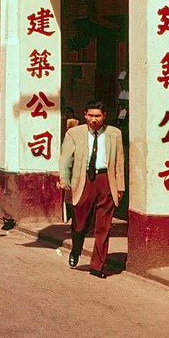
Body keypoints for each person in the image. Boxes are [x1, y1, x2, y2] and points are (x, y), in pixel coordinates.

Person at [58, 100, 124, 279]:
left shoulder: (114, 134)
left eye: (98, 116)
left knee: (104, 226)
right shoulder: (74, 133)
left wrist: (120, 186)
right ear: (85, 115)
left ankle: (97, 265)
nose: (94, 120)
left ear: (104, 117)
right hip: (84, 180)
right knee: (80, 224)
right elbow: (65, 158)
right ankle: (76, 248)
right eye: (91, 115)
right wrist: (64, 178)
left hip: (106, 180)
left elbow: (119, 161)